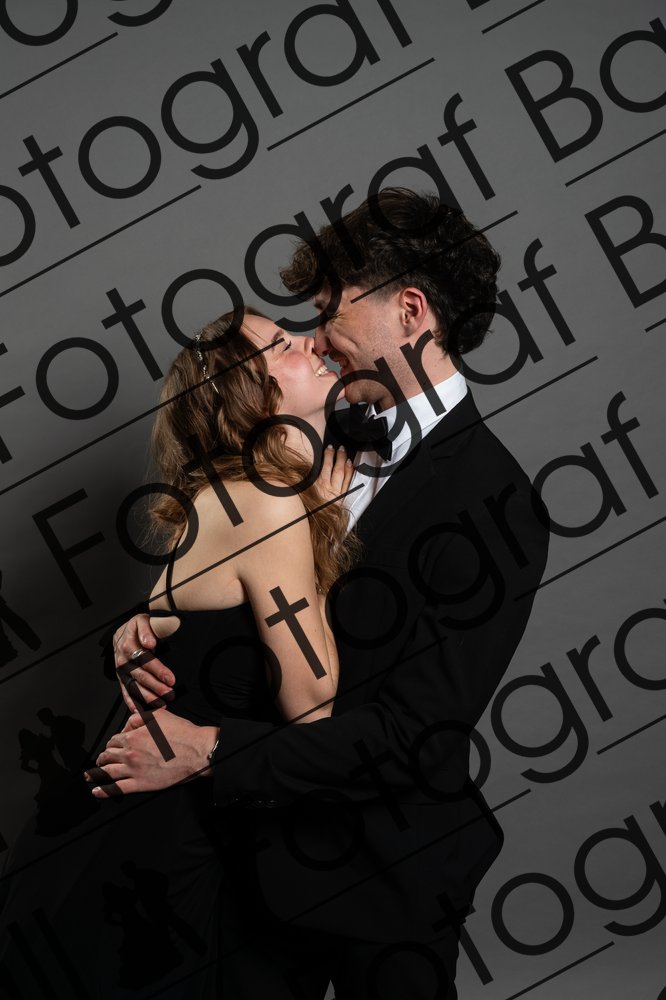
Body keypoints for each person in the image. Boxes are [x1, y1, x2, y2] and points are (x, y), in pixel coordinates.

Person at [107, 187, 551, 999]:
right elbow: (221, 563)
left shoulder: (497, 503)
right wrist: (148, 631)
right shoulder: (303, 430)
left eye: (328, 311)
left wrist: (211, 750)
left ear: (409, 311)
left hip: (384, 877)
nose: (314, 338)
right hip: (239, 871)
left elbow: (412, 736)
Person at [0, 307, 356, 998]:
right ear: (252, 395)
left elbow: (173, 636)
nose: (310, 342)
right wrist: (321, 526)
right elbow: (313, 703)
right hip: (143, 853)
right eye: (280, 346)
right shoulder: (268, 502)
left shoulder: (230, 495)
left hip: (147, 839)